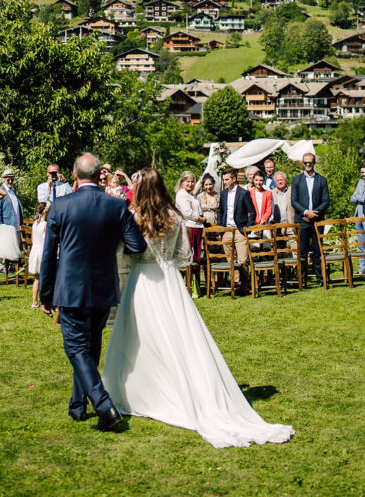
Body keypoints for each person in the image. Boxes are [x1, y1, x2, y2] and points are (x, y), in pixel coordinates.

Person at [102, 168, 295, 448]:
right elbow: (185, 256)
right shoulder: (174, 216)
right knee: (178, 335)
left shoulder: (133, 217)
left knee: (140, 336)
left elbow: (123, 251)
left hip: (141, 280)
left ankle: (144, 391)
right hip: (169, 280)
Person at [39, 152, 147, 431]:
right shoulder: (115, 206)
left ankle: (104, 406)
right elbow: (136, 246)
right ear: (99, 175)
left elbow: (49, 255)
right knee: (90, 347)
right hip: (104, 286)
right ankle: (77, 405)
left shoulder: (61, 206)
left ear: (74, 176)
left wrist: (45, 294)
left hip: (71, 288)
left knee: (76, 347)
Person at [290, 150, 330, 287]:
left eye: (310, 162)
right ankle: (302, 280)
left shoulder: (322, 180)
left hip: (317, 220)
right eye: (305, 162)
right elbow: (294, 200)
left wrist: (314, 213)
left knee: (318, 250)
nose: (308, 165)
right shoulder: (296, 180)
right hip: (302, 220)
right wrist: (306, 212)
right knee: (302, 251)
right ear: (303, 163)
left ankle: (320, 279)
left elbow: (326, 200)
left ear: (314, 163)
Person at [216, 167, 256, 294]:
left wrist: (246, 228)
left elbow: (252, 212)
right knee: (230, 260)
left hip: (239, 230)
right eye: (224, 180)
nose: (225, 182)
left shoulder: (243, 193)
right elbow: (221, 212)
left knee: (242, 260)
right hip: (227, 230)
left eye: (227, 179)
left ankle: (244, 285)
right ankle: (235, 284)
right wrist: (221, 229)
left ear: (234, 179)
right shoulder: (223, 194)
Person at [175, 171, 205, 272]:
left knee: (196, 256)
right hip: (189, 227)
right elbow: (187, 212)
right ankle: (187, 283)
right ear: (182, 182)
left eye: (192, 182)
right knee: (189, 256)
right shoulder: (182, 194)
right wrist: (200, 218)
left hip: (197, 227)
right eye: (188, 181)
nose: (190, 184)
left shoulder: (191, 195)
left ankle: (194, 283)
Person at [0, 169, 24, 273]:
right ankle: (2, 267)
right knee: (5, 245)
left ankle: (12, 266)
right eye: (8, 179)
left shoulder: (13, 191)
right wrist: (0, 224)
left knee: (14, 245)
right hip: (6, 224)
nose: (10, 181)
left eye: (12, 179)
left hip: (15, 224)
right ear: (4, 180)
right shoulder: (0, 191)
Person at [350, 161, 365, 275]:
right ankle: (362, 269)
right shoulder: (360, 183)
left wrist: (359, 197)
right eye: (362, 172)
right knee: (361, 244)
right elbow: (352, 198)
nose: (364, 174)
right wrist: (360, 197)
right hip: (358, 215)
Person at [28, 203, 49, 307]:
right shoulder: (45, 224)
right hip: (42, 251)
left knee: (37, 277)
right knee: (45, 277)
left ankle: (34, 301)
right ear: (45, 212)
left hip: (34, 250)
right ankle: (47, 301)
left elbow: (32, 240)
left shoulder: (34, 224)